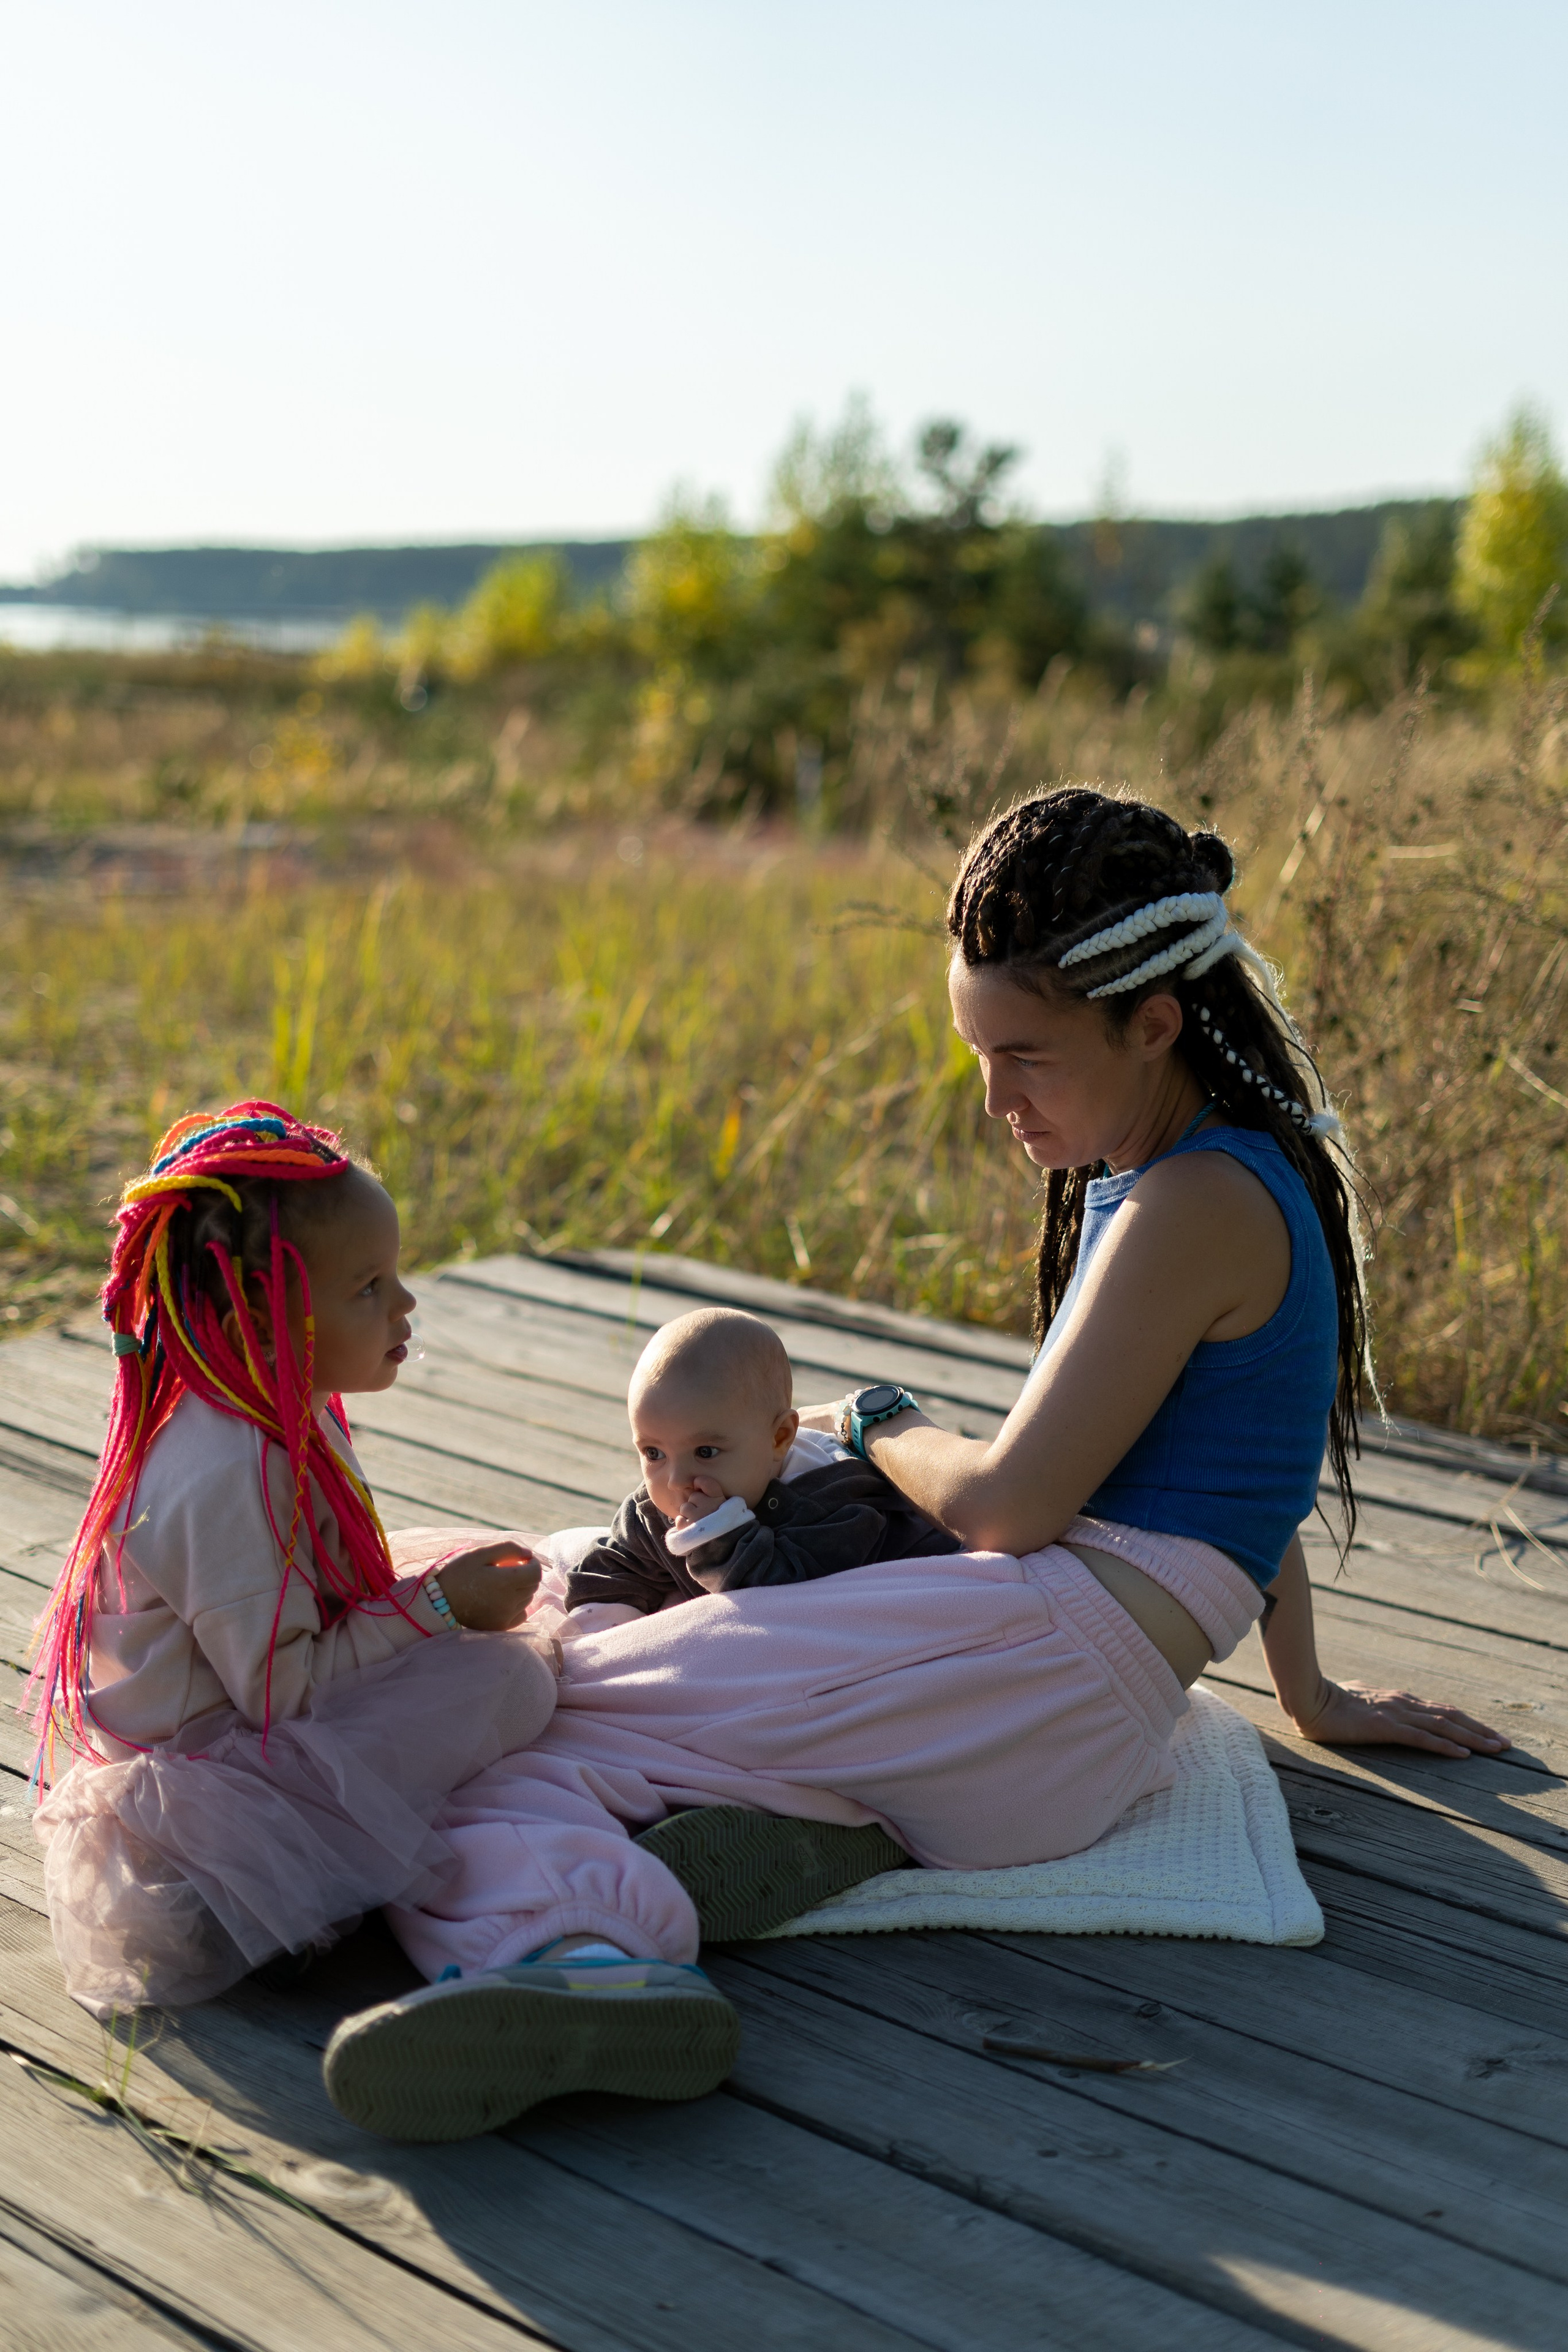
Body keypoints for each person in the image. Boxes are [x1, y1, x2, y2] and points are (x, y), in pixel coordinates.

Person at [325, 790, 1506, 2145]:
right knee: (604, 1627)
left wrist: (877, 1417)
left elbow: (1007, 1508)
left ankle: (586, 1966)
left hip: (1038, 1667)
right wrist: (1308, 1694)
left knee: (541, 1698)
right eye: (976, 1054)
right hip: (1033, 1696)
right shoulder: (1191, 1172)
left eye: (1026, 1057)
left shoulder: (1190, 1202)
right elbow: (1247, 1473)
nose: (995, 1100)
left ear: (1155, 1023)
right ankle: (831, 1817)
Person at [28, 1104, 573, 2021]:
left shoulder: (267, 1398)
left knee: (508, 1578)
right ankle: (248, 1892)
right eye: (369, 1286)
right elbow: (282, 1695)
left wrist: (427, 1600)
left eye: (395, 1276)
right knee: (508, 1681)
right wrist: (434, 1612)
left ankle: (324, 1865)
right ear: (268, 1320)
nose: (405, 1306)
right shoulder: (226, 1475)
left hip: (252, 1676)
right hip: (211, 1766)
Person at [563, 1306, 960, 1628]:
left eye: (705, 1452)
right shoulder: (655, 1511)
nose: (676, 1480)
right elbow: (613, 1571)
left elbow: (788, 1610)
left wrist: (720, 1539)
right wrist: (598, 1623)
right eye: (653, 1453)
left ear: (779, 1439)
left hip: (929, 1588)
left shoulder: (837, 1500)